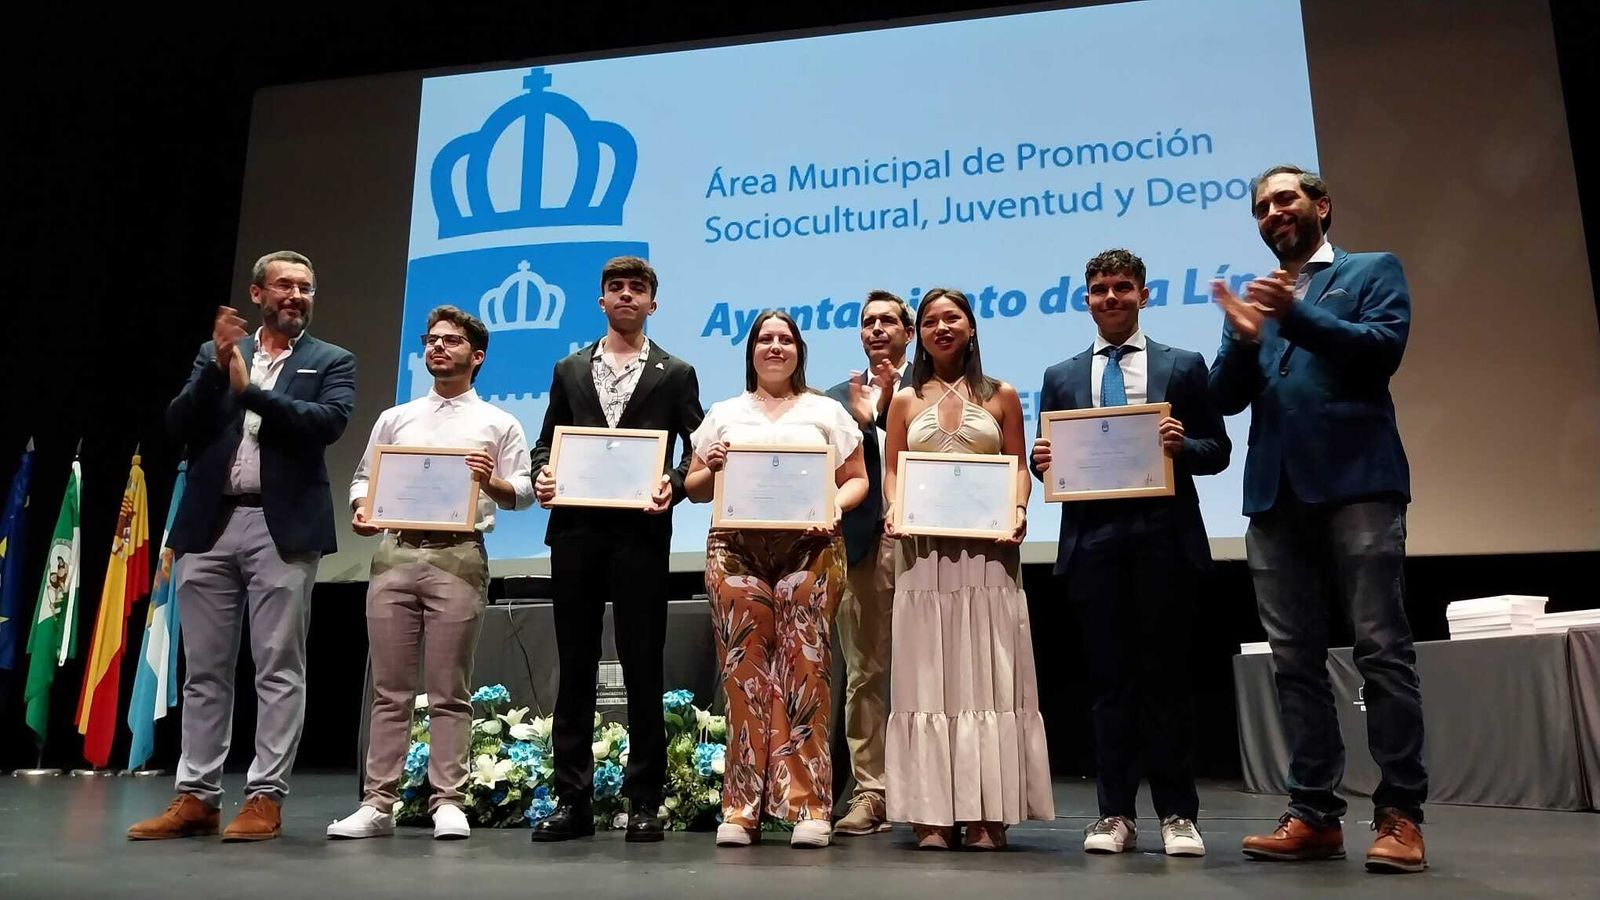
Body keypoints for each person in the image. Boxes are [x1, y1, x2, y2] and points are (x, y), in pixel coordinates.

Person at [1211, 165, 1427, 873]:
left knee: (1381, 650)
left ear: (1322, 205)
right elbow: (1223, 399)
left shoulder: (1370, 270)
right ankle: (1313, 813)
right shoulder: (1259, 298)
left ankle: (1400, 814)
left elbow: (1381, 350)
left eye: (1286, 199)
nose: (1273, 213)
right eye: (1262, 207)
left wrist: (1293, 315)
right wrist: (1245, 340)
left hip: (1357, 486)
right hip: (1276, 497)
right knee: (1294, 662)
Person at [128, 251, 355, 842]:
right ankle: (196, 797)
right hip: (210, 524)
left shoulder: (331, 360)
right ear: (257, 295)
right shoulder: (217, 354)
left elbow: (326, 423)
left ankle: (264, 797)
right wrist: (217, 367)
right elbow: (178, 425)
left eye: (306, 288)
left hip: (282, 529)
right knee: (204, 671)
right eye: (285, 286)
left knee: (278, 668)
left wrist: (250, 392)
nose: (297, 296)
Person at [1030, 249, 1230, 857]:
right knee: (1107, 685)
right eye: (1099, 289)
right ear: (1086, 299)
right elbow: (1052, 463)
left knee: (1166, 682)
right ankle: (1114, 813)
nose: (1110, 297)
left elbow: (1218, 450)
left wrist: (1182, 444)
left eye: (1122, 287)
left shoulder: (1184, 364)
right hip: (1092, 544)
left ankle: (1177, 814)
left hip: (1165, 540)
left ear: (1144, 295)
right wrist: (1043, 462)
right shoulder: (1060, 375)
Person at [328, 305, 534, 841]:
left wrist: (490, 482)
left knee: (449, 691)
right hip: (395, 553)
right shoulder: (396, 418)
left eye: (451, 340)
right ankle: (377, 803)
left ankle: (448, 801)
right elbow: (363, 479)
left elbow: (523, 493)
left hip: (458, 556)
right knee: (390, 690)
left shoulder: (498, 422)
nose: (438, 347)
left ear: (477, 356)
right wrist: (362, 508)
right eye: (432, 339)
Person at [529, 256, 704, 843]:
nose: (626, 295)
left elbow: (697, 449)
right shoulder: (569, 368)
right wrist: (543, 474)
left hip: (641, 536)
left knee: (642, 665)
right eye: (615, 287)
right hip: (575, 534)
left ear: (653, 302)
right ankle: (573, 801)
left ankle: (645, 801)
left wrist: (674, 484)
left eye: (637, 288)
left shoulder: (676, 372)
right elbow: (546, 443)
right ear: (601, 300)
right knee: (575, 665)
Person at [686, 310, 869, 849]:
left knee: (807, 674)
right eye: (765, 338)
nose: (775, 346)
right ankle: (741, 808)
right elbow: (695, 488)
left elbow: (856, 480)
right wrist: (710, 464)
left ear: (798, 351)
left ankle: (810, 807)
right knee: (744, 676)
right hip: (736, 550)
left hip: (810, 549)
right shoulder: (724, 413)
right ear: (751, 351)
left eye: (785, 339)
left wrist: (834, 505)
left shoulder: (825, 411)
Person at [882, 288, 1053, 851]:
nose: (941, 327)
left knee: (987, 673)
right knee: (928, 676)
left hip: (988, 556)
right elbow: (892, 472)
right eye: (930, 320)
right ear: (920, 335)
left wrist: (1020, 509)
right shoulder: (904, 401)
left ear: (971, 327)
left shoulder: (1001, 395)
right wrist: (893, 509)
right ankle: (930, 813)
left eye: (951, 317)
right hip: (924, 555)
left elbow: (1019, 467)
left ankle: (987, 812)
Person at [822, 290, 913, 835]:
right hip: (862, 545)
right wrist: (863, 422)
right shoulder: (834, 401)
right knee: (865, 671)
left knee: (933, 669)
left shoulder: (936, 390)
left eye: (888, 321)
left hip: (929, 546)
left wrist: (880, 418)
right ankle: (871, 792)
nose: (877, 329)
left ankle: (933, 790)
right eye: (868, 322)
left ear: (908, 331)